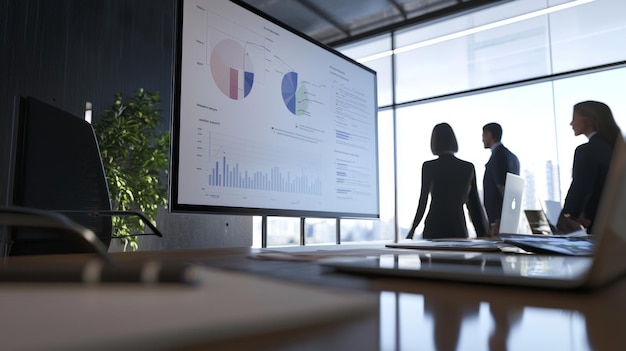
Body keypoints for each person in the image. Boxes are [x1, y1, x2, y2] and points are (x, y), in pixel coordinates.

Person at [406, 123, 488, 239]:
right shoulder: (468, 167)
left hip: (434, 226)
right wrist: (482, 234)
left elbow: (423, 201)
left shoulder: (429, 166)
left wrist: (412, 230)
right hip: (458, 227)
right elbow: (474, 205)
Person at [558, 100, 621, 233]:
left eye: (574, 118)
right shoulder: (617, 149)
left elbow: (579, 190)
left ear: (589, 120)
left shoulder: (587, 150)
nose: (571, 123)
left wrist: (564, 222)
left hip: (596, 228)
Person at [482, 122, 520, 234]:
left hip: (498, 220)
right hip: (509, 218)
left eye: (483, 136)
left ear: (489, 135)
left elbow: (502, 186)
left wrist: (502, 218)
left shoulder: (498, 156)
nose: (482, 139)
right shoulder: (512, 157)